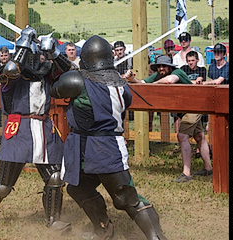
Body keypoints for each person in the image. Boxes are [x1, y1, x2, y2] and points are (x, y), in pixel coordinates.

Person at [50, 35, 167, 240]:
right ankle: (104, 231)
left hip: (101, 148)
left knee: (126, 198)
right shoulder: (121, 84)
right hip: (94, 147)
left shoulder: (78, 81)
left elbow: (55, 87)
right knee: (79, 189)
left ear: (86, 58)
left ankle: (156, 238)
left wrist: (53, 57)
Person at [0, 27, 72, 231]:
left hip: (44, 127)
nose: (34, 57)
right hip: (19, 128)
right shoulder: (12, 73)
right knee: (3, 184)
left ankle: (53, 220)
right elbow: (11, 70)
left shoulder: (46, 72)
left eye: (36, 53)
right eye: (30, 52)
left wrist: (54, 52)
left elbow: (69, 72)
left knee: (55, 177)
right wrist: (24, 42)